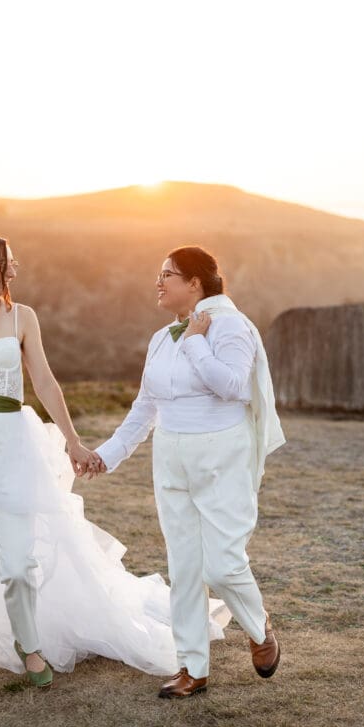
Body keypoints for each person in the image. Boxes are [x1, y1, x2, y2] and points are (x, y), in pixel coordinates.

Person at [0, 231, 229, 703]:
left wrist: (72, 441)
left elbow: (44, 381)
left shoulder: (22, 317)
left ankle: (30, 645)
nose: (14, 269)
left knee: (18, 567)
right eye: (4, 262)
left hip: (12, 446)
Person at [94, 245, 285, 698]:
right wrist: (107, 454)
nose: (158, 283)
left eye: (167, 274)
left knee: (221, 566)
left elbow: (234, 386)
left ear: (195, 282)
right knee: (184, 567)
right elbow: (145, 408)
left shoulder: (232, 326)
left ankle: (260, 629)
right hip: (170, 457)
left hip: (222, 455)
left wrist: (198, 340)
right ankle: (192, 668)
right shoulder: (161, 338)